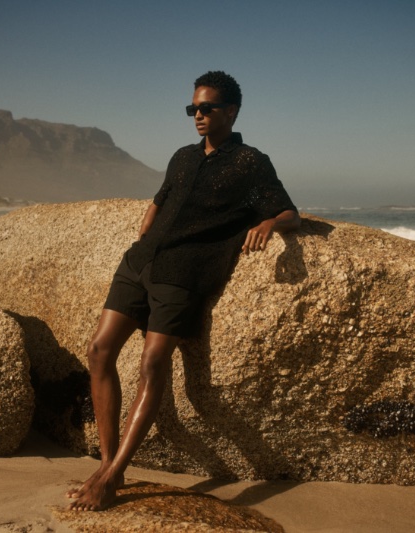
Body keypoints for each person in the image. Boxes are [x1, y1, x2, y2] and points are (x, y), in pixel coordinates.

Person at [67, 71, 300, 511]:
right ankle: (104, 463)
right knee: (99, 350)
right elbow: (160, 199)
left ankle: (114, 476)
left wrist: (269, 223)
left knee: (154, 362)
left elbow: (290, 211)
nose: (198, 115)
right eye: (193, 108)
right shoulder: (181, 157)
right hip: (141, 263)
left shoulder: (249, 162)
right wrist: (142, 239)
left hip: (185, 273)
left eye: (207, 108)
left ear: (231, 111)